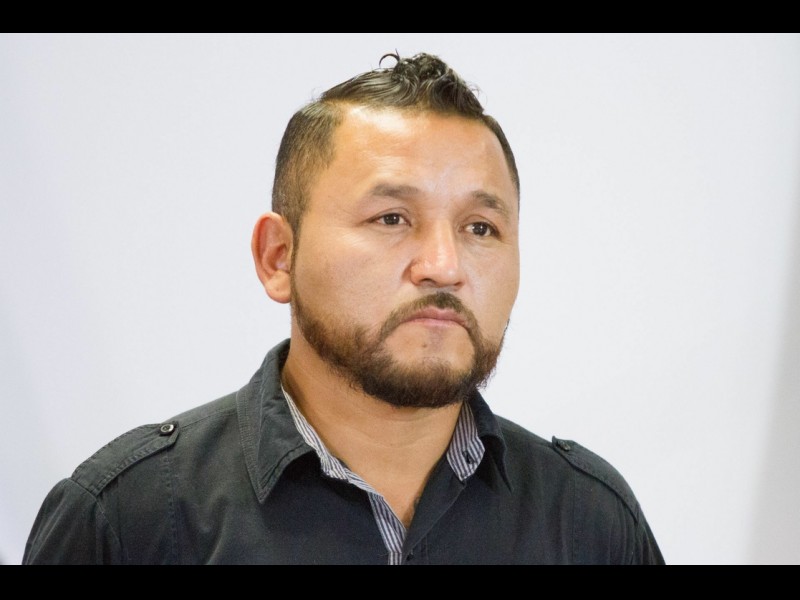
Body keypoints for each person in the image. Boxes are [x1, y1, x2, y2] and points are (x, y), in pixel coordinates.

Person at [23, 52, 664, 565]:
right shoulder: (130, 521)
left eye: (480, 228)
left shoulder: (590, 523)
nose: (444, 265)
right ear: (279, 257)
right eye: (392, 218)